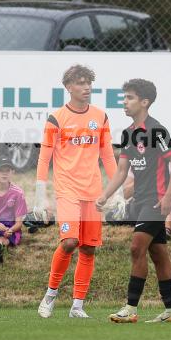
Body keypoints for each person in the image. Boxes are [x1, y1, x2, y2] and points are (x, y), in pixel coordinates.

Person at [34, 64, 117, 319]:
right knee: (69, 242)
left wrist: (119, 192)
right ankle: (50, 295)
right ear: (68, 87)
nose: (86, 87)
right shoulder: (56, 118)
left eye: (88, 82)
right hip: (67, 191)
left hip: (93, 192)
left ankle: (77, 306)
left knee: (88, 249)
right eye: (80, 83)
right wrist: (40, 196)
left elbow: (108, 156)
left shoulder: (100, 117)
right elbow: (44, 159)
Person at [97, 78, 171, 323]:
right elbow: (122, 171)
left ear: (144, 102)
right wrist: (105, 194)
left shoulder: (156, 130)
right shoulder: (127, 134)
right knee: (159, 255)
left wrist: (168, 196)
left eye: (130, 98)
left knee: (137, 247)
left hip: (156, 202)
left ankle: (130, 309)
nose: (124, 102)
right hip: (139, 201)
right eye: (124, 98)